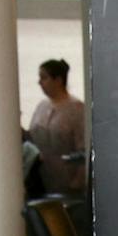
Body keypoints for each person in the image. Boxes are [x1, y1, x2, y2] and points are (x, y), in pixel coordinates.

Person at [26, 58, 87, 196]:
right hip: (40, 176)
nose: (40, 83)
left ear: (58, 80)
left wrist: (78, 180)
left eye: (44, 78)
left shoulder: (76, 109)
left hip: (66, 178)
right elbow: (31, 137)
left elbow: (83, 147)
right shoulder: (42, 106)